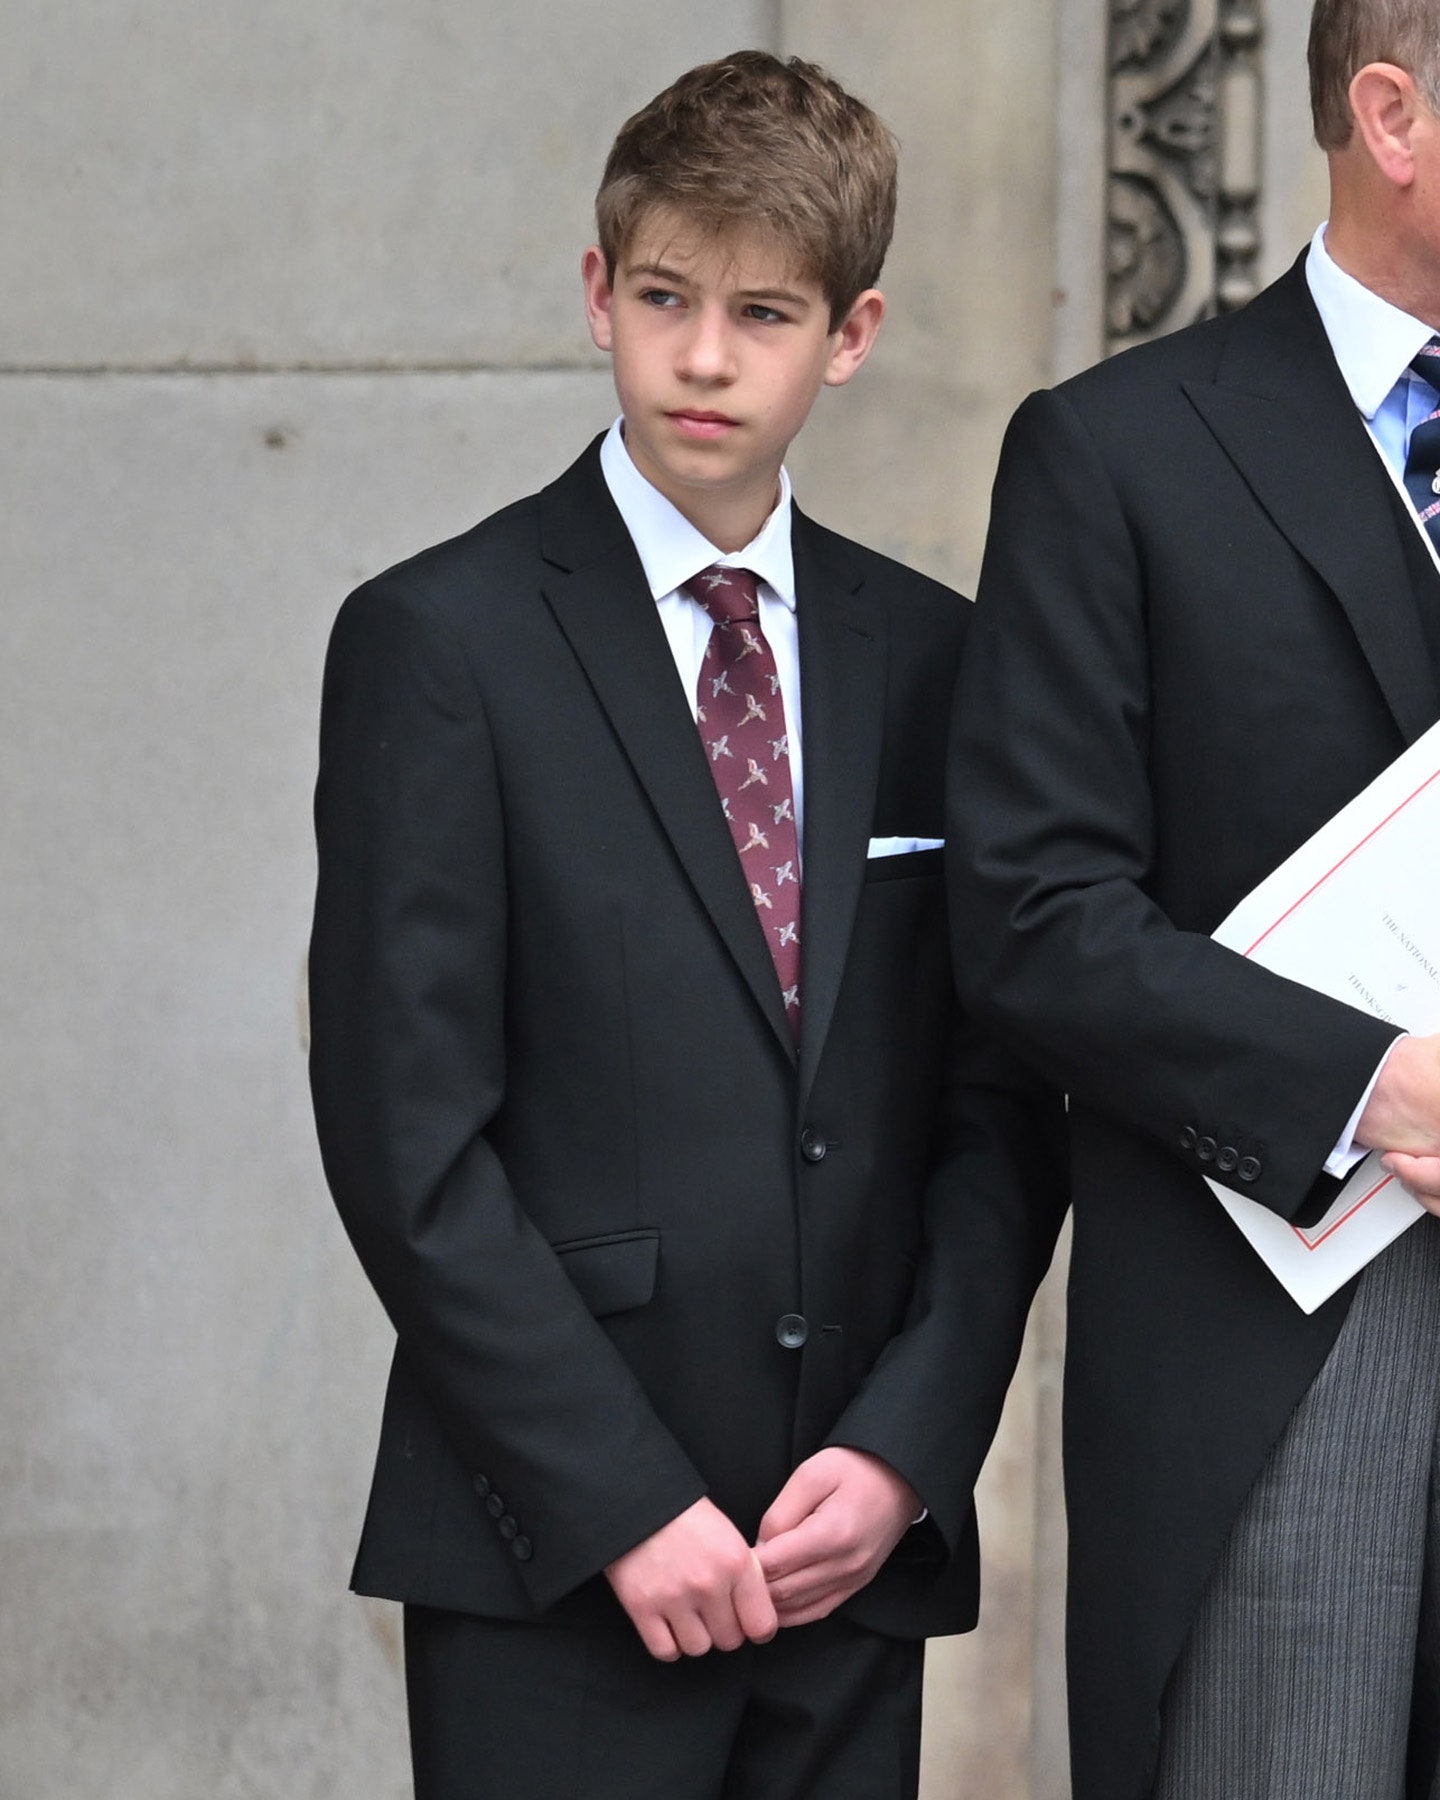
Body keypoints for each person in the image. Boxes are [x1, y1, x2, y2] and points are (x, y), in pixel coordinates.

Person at [309, 50, 1062, 1800]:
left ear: (851, 335)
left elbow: (1001, 1107)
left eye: (763, 312)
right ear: (599, 294)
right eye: (664, 296)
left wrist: (903, 1455)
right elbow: (406, 1135)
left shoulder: (941, 661)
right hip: (555, 1557)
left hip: (841, 1551)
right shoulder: (442, 644)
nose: (704, 356)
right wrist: (623, 1499)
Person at [950, 3, 1440, 1796]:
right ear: (1390, 116)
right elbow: (1030, 913)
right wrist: (1372, 1089)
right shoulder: (1119, 453)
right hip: (1284, 1357)